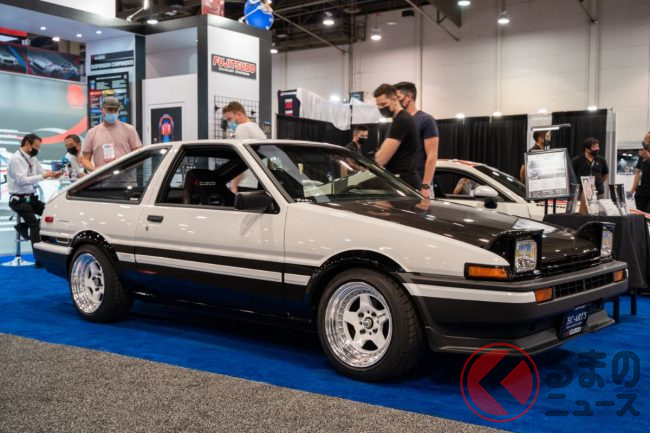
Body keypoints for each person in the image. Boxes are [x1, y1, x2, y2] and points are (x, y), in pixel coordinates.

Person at [7, 133, 61, 251]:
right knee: (34, 225)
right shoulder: (16, 159)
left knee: (52, 213)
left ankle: (23, 226)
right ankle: (38, 256)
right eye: (36, 146)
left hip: (31, 198)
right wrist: (43, 176)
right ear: (27, 144)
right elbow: (22, 181)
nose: (38, 150)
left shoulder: (32, 158)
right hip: (18, 200)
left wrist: (53, 174)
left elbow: (42, 172)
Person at [394, 81, 439, 198]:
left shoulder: (426, 120)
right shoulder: (398, 122)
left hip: (419, 184)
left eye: (398, 97)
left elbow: (432, 156)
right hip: (400, 185)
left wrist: (425, 186)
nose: (395, 102)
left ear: (409, 97)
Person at [372, 83, 420, 189]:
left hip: (404, 183)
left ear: (394, 99)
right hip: (402, 181)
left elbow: (380, 159)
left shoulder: (401, 121)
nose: (381, 108)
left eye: (383, 104)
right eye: (378, 105)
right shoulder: (399, 120)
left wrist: (378, 155)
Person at [81, 96, 142, 172]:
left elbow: (138, 154)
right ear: (102, 109)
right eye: (110, 109)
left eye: (115, 110)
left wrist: (127, 167)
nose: (113, 112)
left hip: (125, 177)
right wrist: (95, 171)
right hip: (102, 178)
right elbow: (85, 159)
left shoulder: (129, 129)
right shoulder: (92, 133)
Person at [223, 101, 267, 192]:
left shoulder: (242, 128)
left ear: (239, 114)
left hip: (245, 183)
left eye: (229, 119)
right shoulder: (256, 128)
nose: (229, 123)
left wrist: (234, 184)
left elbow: (241, 159)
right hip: (259, 181)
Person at [630, 131, 650, 211]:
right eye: (645, 139)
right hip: (641, 192)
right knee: (640, 215)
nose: (645, 141)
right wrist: (632, 190)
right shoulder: (643, 154)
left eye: (648, 139)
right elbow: (638, 173)